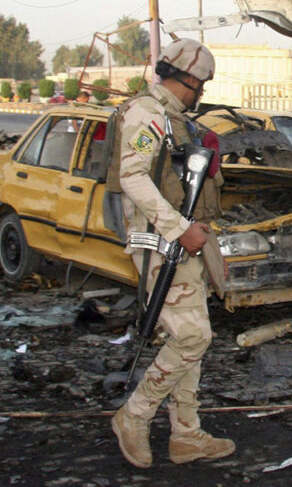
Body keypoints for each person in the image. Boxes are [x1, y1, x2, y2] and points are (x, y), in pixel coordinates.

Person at [111, 39, 234, 468]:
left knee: (192, 340)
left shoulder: (172, 118)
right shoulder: (146, 113)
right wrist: (181, 231)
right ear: (187, 80)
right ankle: (134, 416)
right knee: (192, 337)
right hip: (160, 244)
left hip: (181, 242)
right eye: (198, 86)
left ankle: (186, 435)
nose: (199, 94)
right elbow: (133, 178)